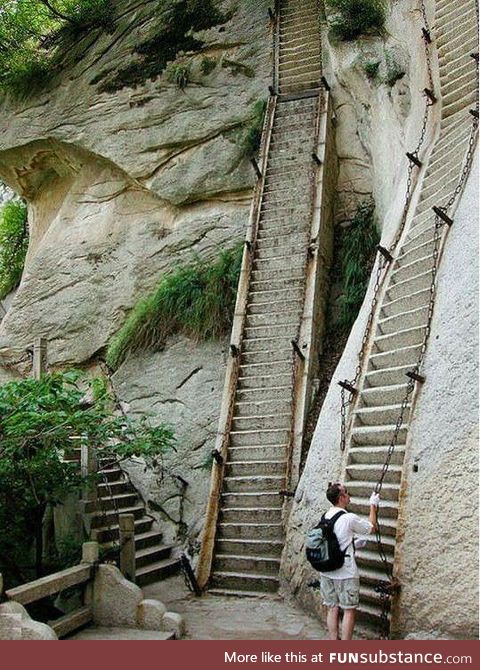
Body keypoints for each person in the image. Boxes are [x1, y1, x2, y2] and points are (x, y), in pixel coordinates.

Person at [318, 481, 379, 640]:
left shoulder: (325, 516)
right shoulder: (349, 518)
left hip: (326, 571)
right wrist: (373, 505)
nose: (349, 494)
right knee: (349, 610)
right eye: (346, 492)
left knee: (332, 608)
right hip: (346, 572)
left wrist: (353, 544)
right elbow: (372, 527)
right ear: (341, 497)